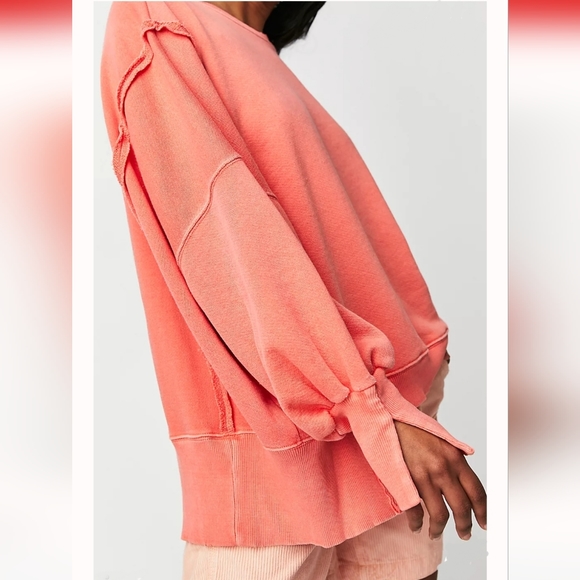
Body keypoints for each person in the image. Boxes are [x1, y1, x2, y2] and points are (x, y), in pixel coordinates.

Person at [100, 2, 486, 579]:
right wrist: (369, 406)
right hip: (293, 436)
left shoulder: (255, 50)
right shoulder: (156, 20)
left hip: (388, 411)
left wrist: (396, 390)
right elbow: (226, 238)